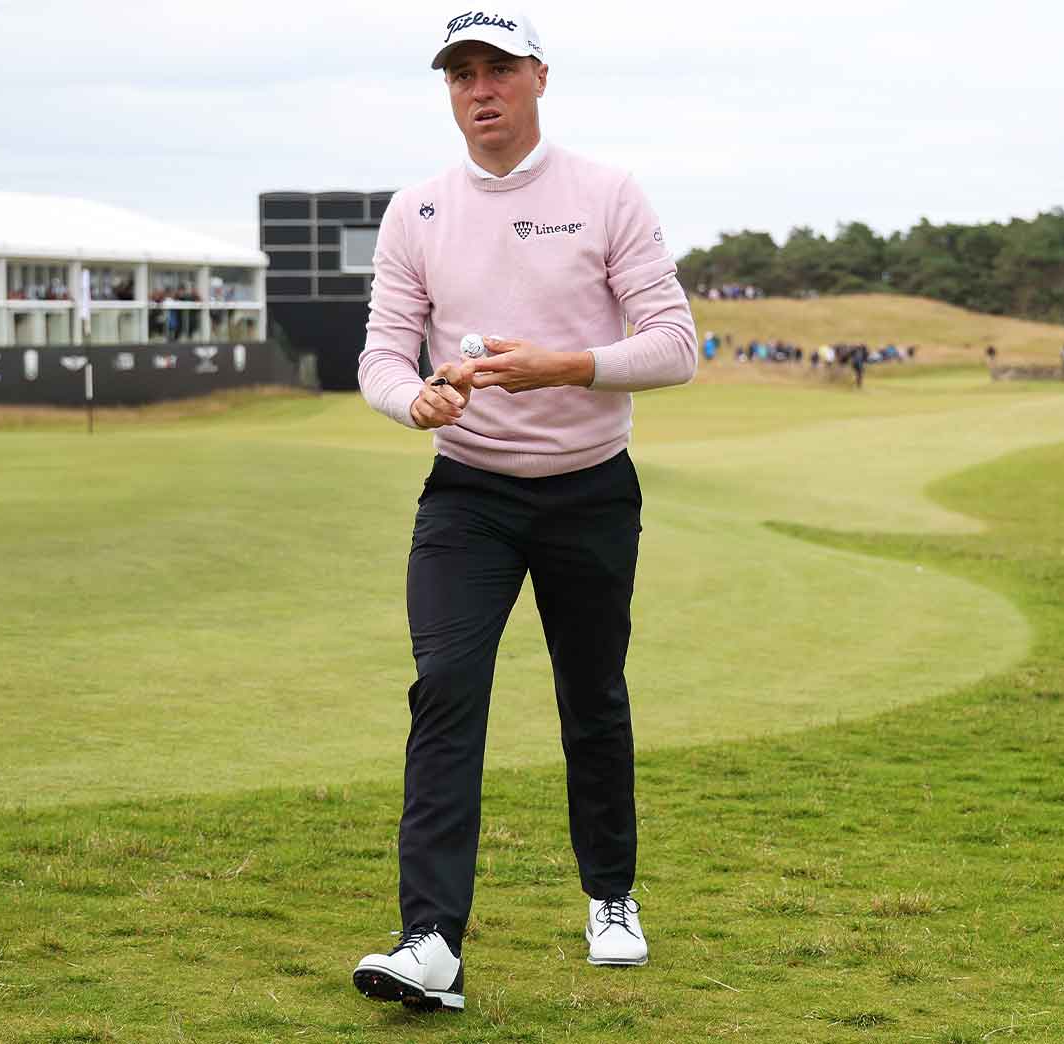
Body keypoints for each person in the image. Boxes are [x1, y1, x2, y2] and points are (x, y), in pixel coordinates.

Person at [352, 12, 695, 1013]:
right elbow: (380, 353)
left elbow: (673, 344)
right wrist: (411, 398)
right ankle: (429, 944)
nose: (478, 86)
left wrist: (564, 366)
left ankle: (610, 895)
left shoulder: (605, 193)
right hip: (470, 490)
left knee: (591, 693)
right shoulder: (415, 212)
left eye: (497, 67)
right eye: (459, 72)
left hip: (589, 485)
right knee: (445, 687)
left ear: (538, 77)